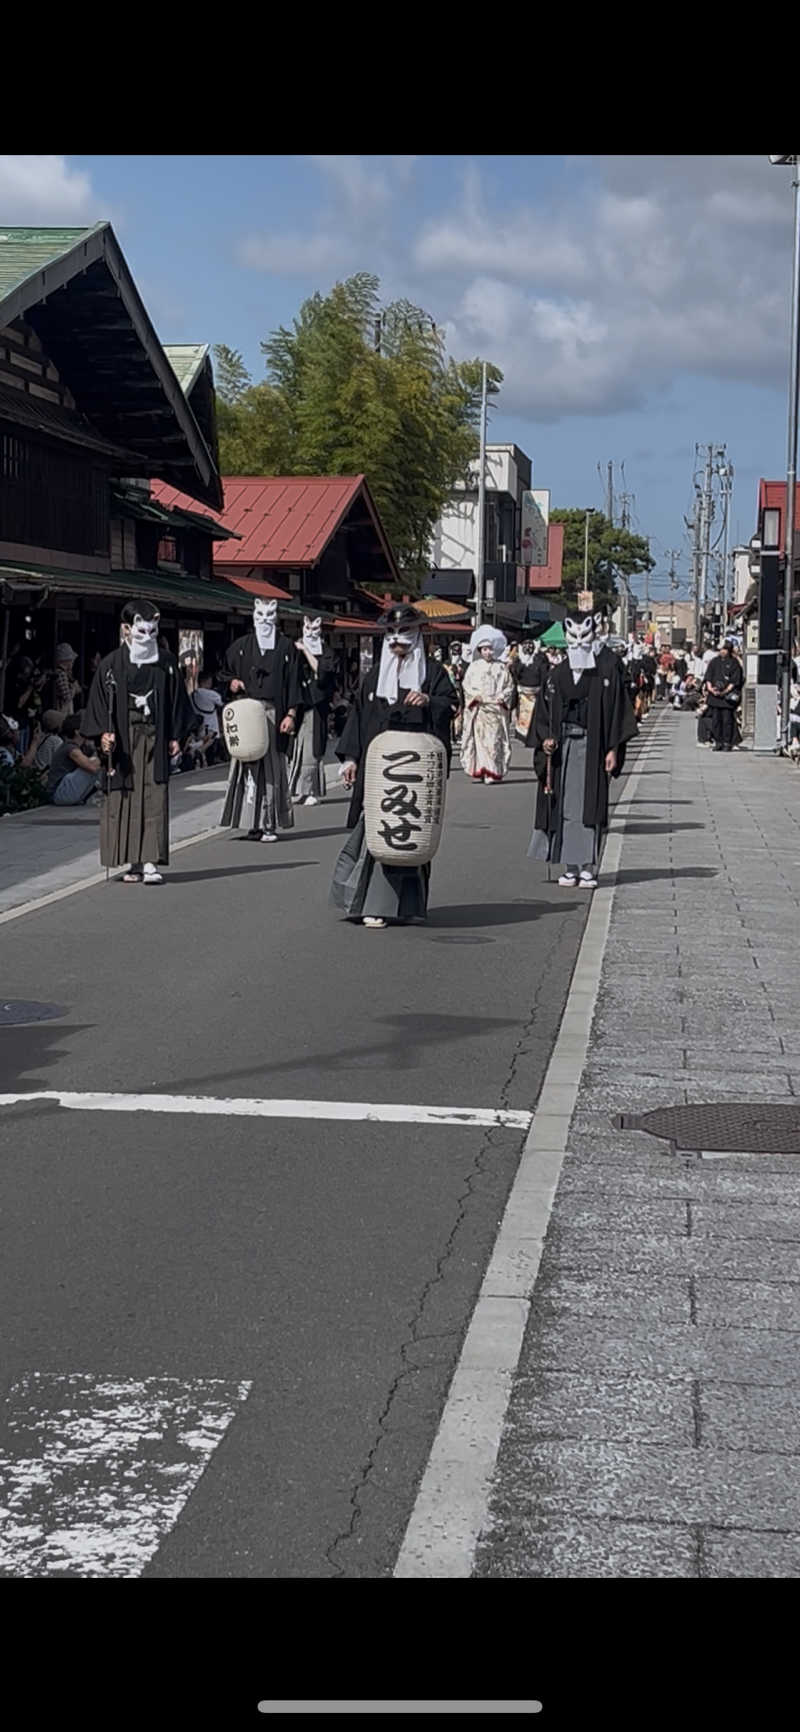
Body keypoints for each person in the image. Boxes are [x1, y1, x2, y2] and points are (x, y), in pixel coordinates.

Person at [331, 603, 458, 929]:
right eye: (391, 634)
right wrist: (350, 759)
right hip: (380, 770)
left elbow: (450, 705)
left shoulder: (432, 673)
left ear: (417, 635)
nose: (397, 641)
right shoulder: (374, 676)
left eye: (404, 633)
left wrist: (430, 701)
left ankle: (409, 906)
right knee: (378, 829)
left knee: (411, 833)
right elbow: (359, 719)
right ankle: (373, 903)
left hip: (413, 770)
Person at [82, 600, 192, 885]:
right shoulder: (111, 664)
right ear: (126, 629)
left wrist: (176, 736)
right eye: (141, 631)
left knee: (154, 794)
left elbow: (178, 701)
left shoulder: (166, 662)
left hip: (155, 733)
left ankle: (151, 862)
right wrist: (103, 735)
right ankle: (132, 862)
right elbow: (97, 703)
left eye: (152, 631)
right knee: (125, 797)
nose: (147, 637)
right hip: (124, 739)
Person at [528, 609, 637, 890]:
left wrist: (613, 748)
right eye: (573, 637)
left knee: (588, 806)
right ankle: (569, 865)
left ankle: (588, 866)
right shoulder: (556, 675)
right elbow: (542, 713)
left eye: (583, 636)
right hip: (562, 747)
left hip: (592, 747)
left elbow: (616, 713)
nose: (578, 642)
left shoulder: (606, 671)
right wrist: (546, 739)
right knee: (562, 805)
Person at [220, 598, 301, 842]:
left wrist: (291, 714)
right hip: (246, 711)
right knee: (245, 766)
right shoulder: (242, 646)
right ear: (254, 616)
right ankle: (249, 823)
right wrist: (231, 682)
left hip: (273, 713)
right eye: (260, 614)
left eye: (269, 615)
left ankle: (269, 823)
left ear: (276, 617)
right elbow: (224, 671)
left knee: (272, 769)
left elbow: (295, 682)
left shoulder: (286, 648)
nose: (265, 620)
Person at [289, 615, 336, 806]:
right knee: (296, 750)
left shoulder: (326, 652)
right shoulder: (294, 650)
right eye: (307, 628)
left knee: (311, 750)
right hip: (299, 704)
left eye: (314, 629)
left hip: (316, 706)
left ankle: (309, 790)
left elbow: (323, 673)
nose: (310, 632)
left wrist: (306, 650)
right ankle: (300, 789)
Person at [460, 624, 515, 783]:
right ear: (479, 651)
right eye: (484, 649)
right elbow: (466, 685)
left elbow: (509, 686)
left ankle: (493, 770)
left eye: (490, 649)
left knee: (494, 741)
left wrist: (502, 697)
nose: (488, 652)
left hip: (496, 710)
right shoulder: (473, 667)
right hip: (479, 710)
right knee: (481, 742)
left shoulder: (501, 667)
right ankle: (484, 771)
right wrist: (474, 696)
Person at [47, 715, 102, 805]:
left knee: (96, 761)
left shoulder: (78, 747)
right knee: (93, 763)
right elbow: (92, 767)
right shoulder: (70, 748)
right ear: (77, 731)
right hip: (59, 794)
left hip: (62, 794)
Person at [704, 640, 744, 751]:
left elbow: (734, 681)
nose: (722, 651)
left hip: (727, 697)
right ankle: (718, 741)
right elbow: (708, 677)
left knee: (727, 720)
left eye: (724, 649)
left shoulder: (734, 663)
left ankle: (727, 742)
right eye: (721, 649)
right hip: (714, 696)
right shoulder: (714, 662)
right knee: (716, 720)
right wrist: (711, 688)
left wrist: (725, 691)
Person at [50, 643, 81, 718]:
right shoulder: (61, 674)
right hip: (62, 713)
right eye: (71, 660)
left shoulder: (64, 673)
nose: (72, 662)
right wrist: (73, 687)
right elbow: (67, 697)